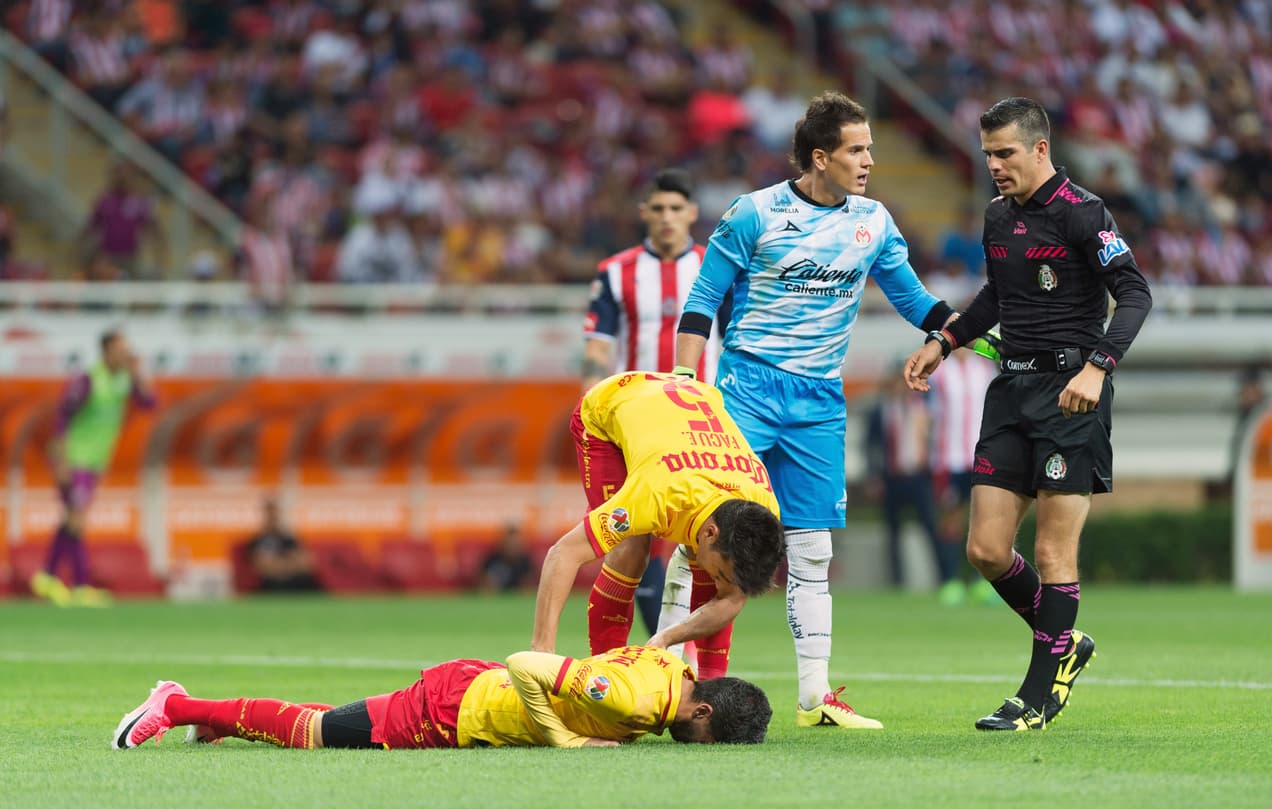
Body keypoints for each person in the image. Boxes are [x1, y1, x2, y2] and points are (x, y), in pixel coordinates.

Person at [675, 91, 956, 730]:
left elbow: (915, 302)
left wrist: (970, 334)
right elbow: (701, 301)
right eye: (857, 150)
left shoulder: (873, 222)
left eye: (871, 149)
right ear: (821, 157)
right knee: (704, 536)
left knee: (811, 552)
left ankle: (814, 700)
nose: (869, 161)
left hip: (818, 404)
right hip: (745, 392)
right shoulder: (755, 214)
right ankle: (669, 673)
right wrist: (683, 385)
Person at [904, 97, 1152, 731]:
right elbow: (996, 294)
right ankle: (1065, 642)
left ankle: (1037, 698)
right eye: (988, 154)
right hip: (1009, 391)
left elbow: (1134, 293)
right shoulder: (996, 217)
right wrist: (945, 341)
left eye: (1005, 153)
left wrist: (1098, 367)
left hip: (1071, 395)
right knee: (986, 549)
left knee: (1051, 553)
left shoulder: (1083, 212)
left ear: (1040, 149)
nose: (994, 165)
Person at [580, 168, 731, 674]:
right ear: (644, 213)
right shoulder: (616, 271)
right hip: (633, 425)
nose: (667, 218)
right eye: (657, 208)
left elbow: (735, 342)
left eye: (676, 208)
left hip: (698, 426)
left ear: (691, 213)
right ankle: (618, 670)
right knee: (628, 542)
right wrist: (593, 403)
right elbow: (597, 349)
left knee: (707, 541)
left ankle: (694, 669)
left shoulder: (716, 267)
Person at [531, 372, 785, 660]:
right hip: (609, 405)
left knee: (709, 565)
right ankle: (608, 670)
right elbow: (563, 553)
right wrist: (542, 654)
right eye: (723, 575)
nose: (721, 586)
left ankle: (713, 688)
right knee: (631, 547)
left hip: (686, 404)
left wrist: (667, 637)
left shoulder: (762, 510)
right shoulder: (655, 495)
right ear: (710, 532)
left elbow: (731, 597)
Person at [113, 645, 772, 751]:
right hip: (461, 707)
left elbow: (666, 642)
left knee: (337, 720)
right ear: (703, 710)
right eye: (709, 741)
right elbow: (527, 663)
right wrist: (564, 738)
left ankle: (224, 722)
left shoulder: (670, 669)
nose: (697, 749)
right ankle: (177, 703)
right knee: (317, 731)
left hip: (470, 694)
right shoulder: (635, 697)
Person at [31, 329, 157, 607]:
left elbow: (149, 404)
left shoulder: (124, 380)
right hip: (74, 458)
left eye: (127, 348)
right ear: (106, 351)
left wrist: (137, 374)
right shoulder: (88, 379)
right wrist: (61, 459)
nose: (125, 353)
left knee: (72, 520)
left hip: (95, 462)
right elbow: (63, 416)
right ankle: (78, 584)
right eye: (120, 349)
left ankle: (48, 576)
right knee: (76, 519)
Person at [863, 366, 953, 591]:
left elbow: (936, 439)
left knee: (930, 529)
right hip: (892, 478)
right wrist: (873, 476)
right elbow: (871, 445)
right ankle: (897, 582)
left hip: (918, 478)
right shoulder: (881, 410)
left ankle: (945, 579)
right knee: (893, 534)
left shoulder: (923, 408)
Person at [927, 345, 1000, 607]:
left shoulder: (985, 368)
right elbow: (926, 414)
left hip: (982, 454)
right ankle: (950, 581)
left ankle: (984, 582)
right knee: (951, 521)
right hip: (949, 458)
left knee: (984, 519)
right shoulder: (939, 372)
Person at [243, 497, 319, 593]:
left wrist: (281, 567)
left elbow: (304, 563)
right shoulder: (257, 541)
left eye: (275, 514)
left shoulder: (288, 539)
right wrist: (288, 565)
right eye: (269, 514)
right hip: (271, 584)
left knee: (309, 581)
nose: (272, 518)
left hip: (296, 580)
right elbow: (263, 566)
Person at [479, 523, 533, 592]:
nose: (512, 547)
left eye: (515, 544)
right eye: (510, 544)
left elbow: (528, 589)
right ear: (503, 543)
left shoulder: (524, 561)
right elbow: (484, 587)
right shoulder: (493, 559)